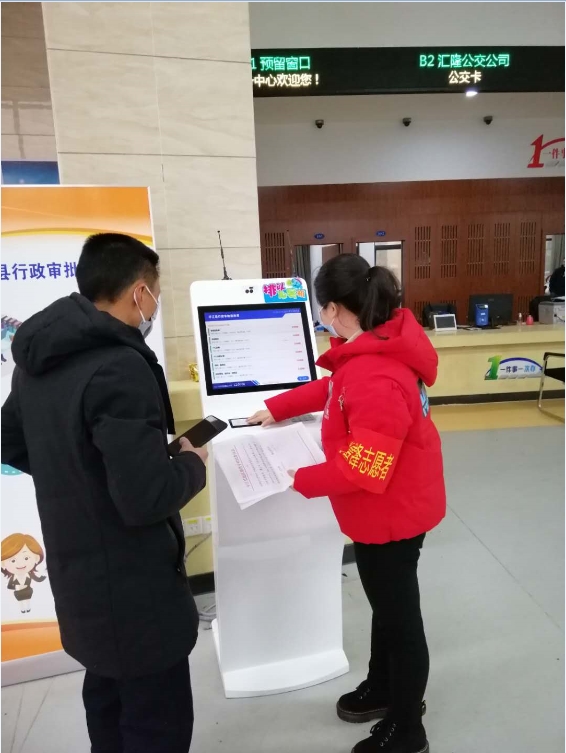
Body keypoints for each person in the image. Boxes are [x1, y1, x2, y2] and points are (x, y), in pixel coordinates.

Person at [1, 233, 207, 753]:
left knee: (108, 704)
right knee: (155, 724)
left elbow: (11, 442)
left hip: (80, 581)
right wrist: (191, 463)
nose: (153, 307)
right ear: (139, 292)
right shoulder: (120, 366)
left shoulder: (38, 358)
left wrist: (77, 477)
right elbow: (145, 498)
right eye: (155, 294)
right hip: (137, 594)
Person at [249, 255, 446, 753]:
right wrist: (277, 407)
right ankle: (383, 688)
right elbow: (334, 387)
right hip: (399, 504)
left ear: (335, 309)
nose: (321, 315)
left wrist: (295, 477)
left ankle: (407, 729)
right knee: (388, 607)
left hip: (391, 515)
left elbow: (365, 466)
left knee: (400, 620)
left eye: (322, 307)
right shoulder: (376, 346)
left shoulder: (375, 374)